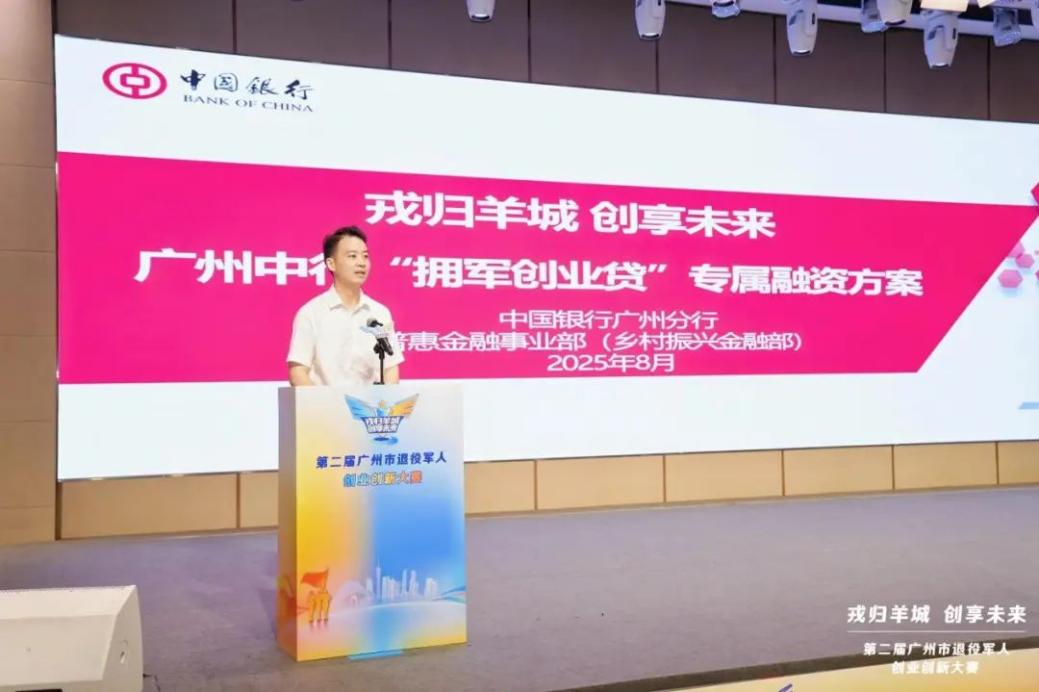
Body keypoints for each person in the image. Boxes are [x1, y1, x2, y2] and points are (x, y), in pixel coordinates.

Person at [287, 226, 403, 386]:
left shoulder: (379, 313)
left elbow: (390, 368)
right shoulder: (311, 313)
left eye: (365, 256)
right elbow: (298, 371)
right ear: (331, 264)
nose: (361, 263)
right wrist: (321, 401)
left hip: (370, 402)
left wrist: (384, 400)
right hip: (325, 401)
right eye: (352, 256)